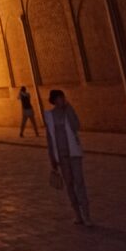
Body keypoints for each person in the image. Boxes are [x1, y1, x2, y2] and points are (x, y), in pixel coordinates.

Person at [44, 90, 90, 226]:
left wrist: (69, 108)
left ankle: (87, 215)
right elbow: (50, 138)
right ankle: (78, 214)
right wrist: (51, 156)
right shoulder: (50, 116)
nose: (61, 100)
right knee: (69, 185)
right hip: (62, 156)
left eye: (62, 97)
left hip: (74, 153)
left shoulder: (69, 111)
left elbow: (76, 126)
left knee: (80, 183)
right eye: (59, 98)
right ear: (54, 100)